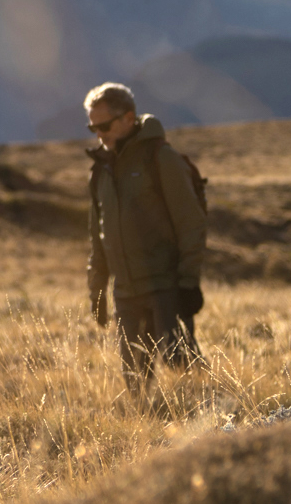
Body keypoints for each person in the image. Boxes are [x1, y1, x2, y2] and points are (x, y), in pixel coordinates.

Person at [84, 82, 206, 393]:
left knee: (184, 373)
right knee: (136, 384)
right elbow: (98, 238)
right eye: (92, 126)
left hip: (166, 288)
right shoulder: (100, 171)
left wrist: (188, 283)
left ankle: (213, 431)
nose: (98, 133)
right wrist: (97, 291)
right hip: (125, 294)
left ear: (128, 117)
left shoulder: (160, 158)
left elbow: (190, 222)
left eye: (104, 125)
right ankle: (150, 438)